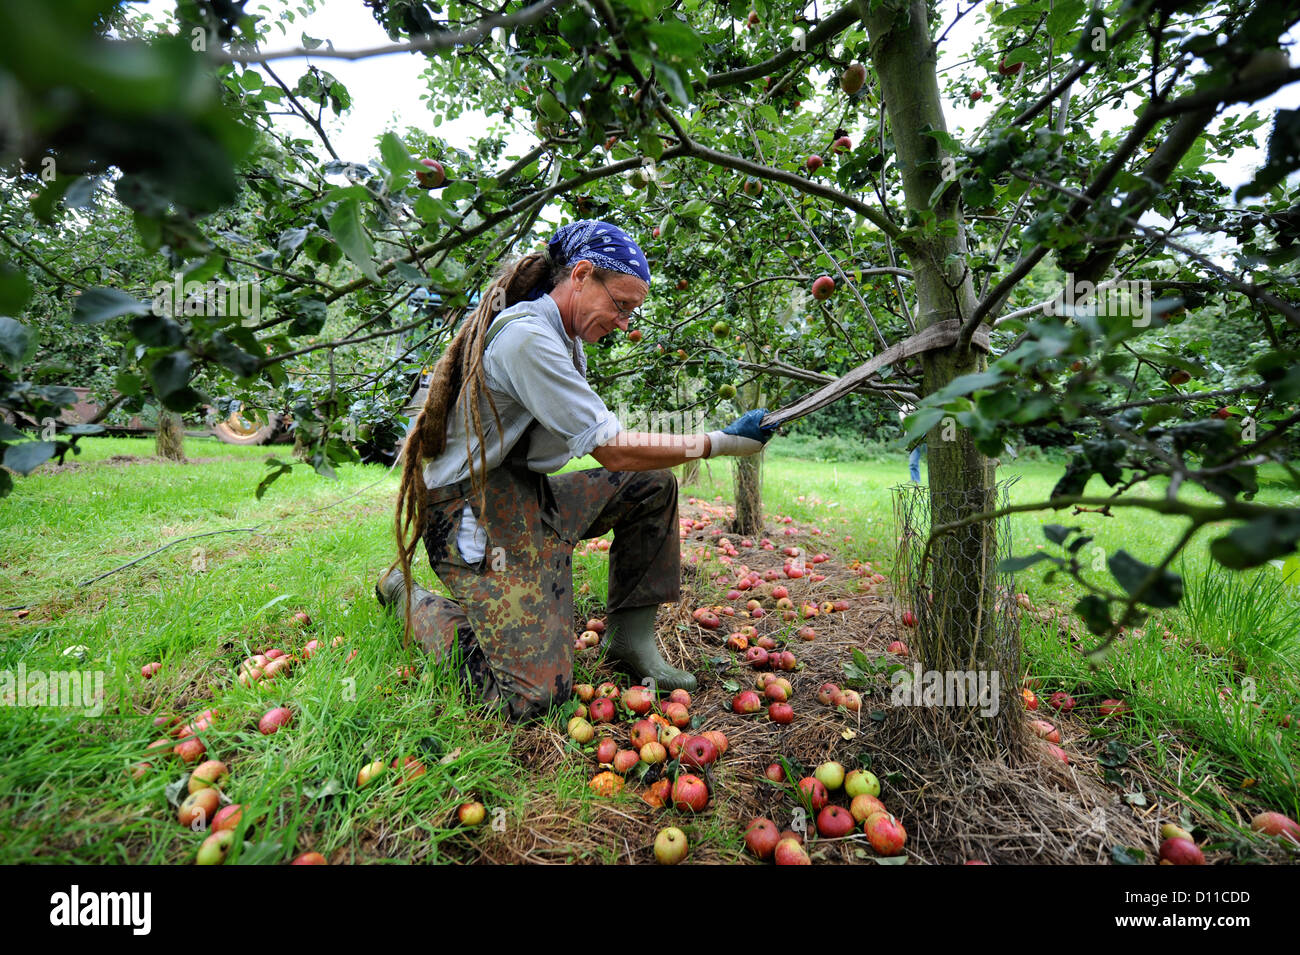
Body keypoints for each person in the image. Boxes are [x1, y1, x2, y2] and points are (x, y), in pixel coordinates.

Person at [376, 219, 778, 722]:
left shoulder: (565, 337)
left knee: (650, 486)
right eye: (623, 305)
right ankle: (410, 601)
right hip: (466, 512)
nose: (625, 321)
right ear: (582, 275)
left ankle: (631, 641)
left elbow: (593, 442)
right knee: (534, 697)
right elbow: (611, 449)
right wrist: (718, 443)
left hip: (524, 494)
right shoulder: (526, 337)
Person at [899, 403, 926, 483]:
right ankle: (915, 481)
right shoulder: (906, 404)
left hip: (926, 432)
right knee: (913, 462)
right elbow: (901, 412)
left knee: (934, 459)